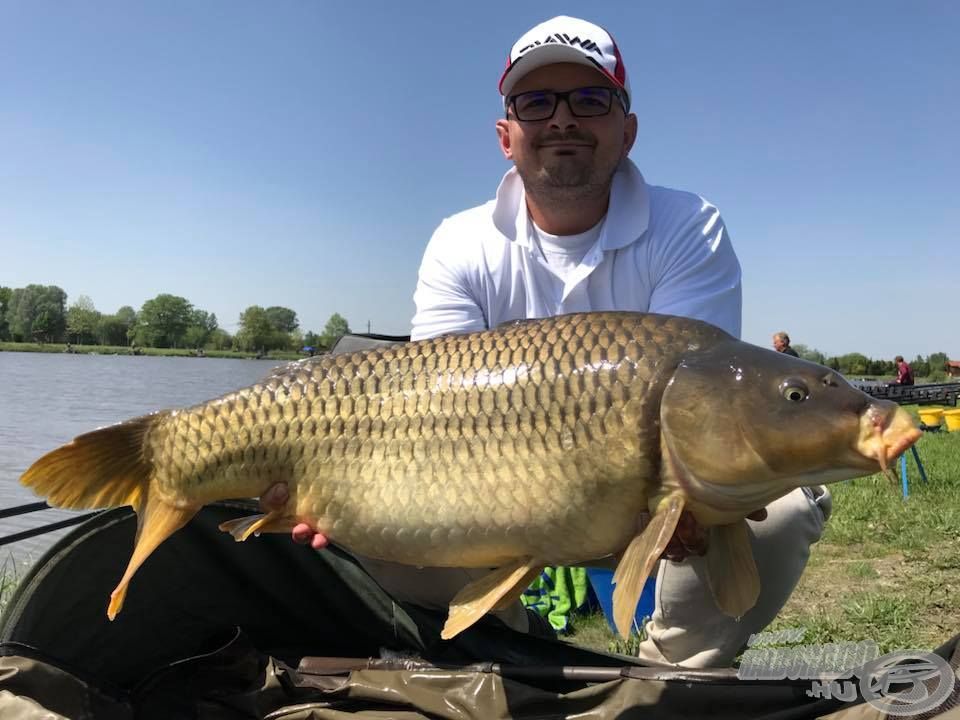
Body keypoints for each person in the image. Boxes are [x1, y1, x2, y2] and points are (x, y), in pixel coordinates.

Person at [262, 15, 831, 668]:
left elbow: (707, 398)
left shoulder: (687, 226)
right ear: (507, 136)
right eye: (536, 103)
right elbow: (436, 423)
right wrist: (341, 493)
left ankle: (672, 678)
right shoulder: (460, 242)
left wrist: (683, 498)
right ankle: (516, 653)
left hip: (651, 487)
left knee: (780, 510)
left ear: (627, 131)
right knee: (375, 528)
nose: (562, 120)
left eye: (590, 100)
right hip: (501, 491)